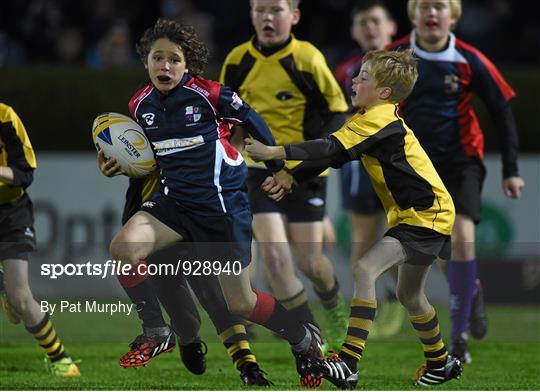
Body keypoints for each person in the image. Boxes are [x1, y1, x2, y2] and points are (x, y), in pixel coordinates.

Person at [107, 18, 324, 387]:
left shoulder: (211, 94)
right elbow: (143, 155)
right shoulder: (139, 104)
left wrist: (276, 167)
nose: (165, 66)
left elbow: (252, 119)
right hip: (174, 203)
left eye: (174, 59)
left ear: (187, 64)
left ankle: (304, 339)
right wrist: (115, 162)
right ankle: (158, 332)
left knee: (240, 303)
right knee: (124, 248)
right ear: (146, 62)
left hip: (221, 208)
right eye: (157, 58)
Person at [245, 49, 463, 388]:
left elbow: (329, 148)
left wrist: (276, 153)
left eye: (364, 77)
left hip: (425, 214)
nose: (354, 80)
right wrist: (290, 176)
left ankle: (348, 362)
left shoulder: (378, 119)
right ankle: (441, 362)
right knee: (410, 295)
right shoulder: (374, 118)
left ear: (384, 92)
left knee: (365, 268)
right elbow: (335, 153)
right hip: (428, 212)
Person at [387, 0, 525, 363]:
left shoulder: (470, 59)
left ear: (454, 16)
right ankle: (472, 290)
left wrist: (511, 169)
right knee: (441, 249)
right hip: (414, 166)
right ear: (413, 14)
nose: (433, 13)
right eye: (425, 7)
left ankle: (459, 337)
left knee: (462, 239)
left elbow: (501, 110)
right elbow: (366, 103)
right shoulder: (394, 57)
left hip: (461, 161)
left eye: (441, 7)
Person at [219, 0, 349, 353]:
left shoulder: (307, 58)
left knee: (311, 263)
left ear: (294, 16)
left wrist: (304, 164)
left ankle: (335, 310)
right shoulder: (237, 60)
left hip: (303, 169)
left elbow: (339, 113)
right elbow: (225, 120)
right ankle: (311, 340)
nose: (267, 18)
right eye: (260, 10)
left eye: (276, 10)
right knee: (276, 260)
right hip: (256, 172)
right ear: (251, 15)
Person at [98, 153, 272, 386]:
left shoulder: (207, 121)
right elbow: (130, 150)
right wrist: (113, 161)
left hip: (196, 217)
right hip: (156, 222)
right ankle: (187, 338)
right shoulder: (150, 118)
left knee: (216, 296)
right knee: (185, 319)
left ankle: (248, 366)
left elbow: (234, 141)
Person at [334, 0, 404, 338]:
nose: (370, 28)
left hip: (402, 167)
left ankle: (400, 295)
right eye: (363, 23)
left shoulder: (408, 65)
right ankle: (364, 315)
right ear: (353, 31)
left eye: (375, 21)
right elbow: (338, 117)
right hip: (361, 167)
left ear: (391, 26)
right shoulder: (345, 69)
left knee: (406, 237)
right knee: (363, 239)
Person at [0, 102, 80, 377]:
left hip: (11, 214)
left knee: (20, 298)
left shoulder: (5, 116)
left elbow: (25, 173)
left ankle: (60, 357)